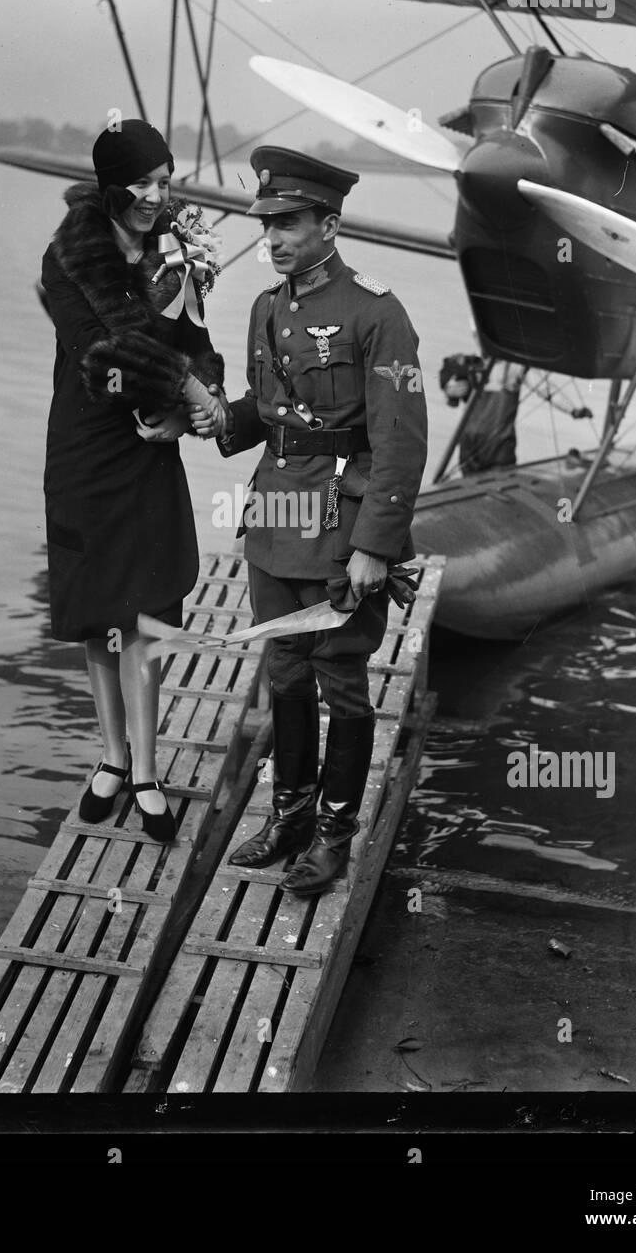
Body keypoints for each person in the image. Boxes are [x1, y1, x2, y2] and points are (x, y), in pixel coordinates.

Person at [192, 146, 428, 894]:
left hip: (336, 529)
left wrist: (373, 549)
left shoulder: (378, 314)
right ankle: (289, 814)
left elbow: (401, 444)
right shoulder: (268, 306)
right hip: (273, 520)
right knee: (284, 675)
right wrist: (209, 419)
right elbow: (272, 411)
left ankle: (332, 835)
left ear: (329, 224)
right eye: (268, 225)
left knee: (341, 683)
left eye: (290, 223)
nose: (274, 238)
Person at [39, 119, 227, 843]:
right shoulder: (67, 259)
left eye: (165, 181)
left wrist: (193, 406)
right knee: (98, 614)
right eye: (143, 183)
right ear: (110, 187)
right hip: (87, 446)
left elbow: (199, 346)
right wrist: (189, 388)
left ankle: (146, 772)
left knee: (145, 611)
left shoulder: (173, 251)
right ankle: (110, 760)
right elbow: (103, 359)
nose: (157, 195)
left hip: (148, 446)